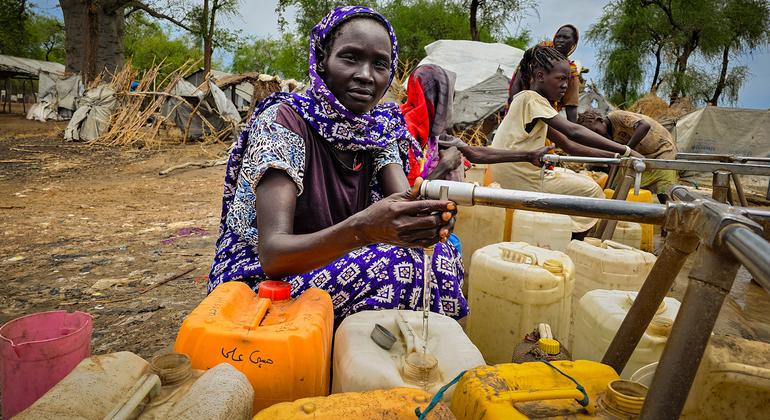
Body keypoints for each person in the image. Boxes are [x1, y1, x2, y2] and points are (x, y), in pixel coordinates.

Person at [207, 6, 468, 322]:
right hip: (262, 280)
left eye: (380, 64)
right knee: (397, 271)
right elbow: (274, 254)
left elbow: (401, 203)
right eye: (350, 58)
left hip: (339, 256)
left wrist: (424, 223)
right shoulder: (284, 123)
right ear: (322, 61)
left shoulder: (377, 130)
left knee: (440, 255)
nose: (366, 75)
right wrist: (363, 230)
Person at [490, 45, 642, 237]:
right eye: (561, 79)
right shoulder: (532, 99)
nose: (565, 86)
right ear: (539, 76)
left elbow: (569, 146)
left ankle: (562, 234)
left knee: (575, 178)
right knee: (591, 191)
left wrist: (614, 157)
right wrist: (626, 150)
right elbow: (573, 132)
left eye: (567, 80)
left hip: (513, 175)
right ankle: (573, 242)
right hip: (521, 179)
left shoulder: (527, 103)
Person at [400, 64, 554, 253]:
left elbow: (475, 153)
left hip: (429, 225)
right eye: (450, 97)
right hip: (402, 231)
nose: (451, 105)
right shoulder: (402, 134)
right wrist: (444, 166)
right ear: (437, 96)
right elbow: (401, 200)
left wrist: (528, 155)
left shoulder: (435, 135)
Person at [577, 110, 678, 203]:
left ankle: (675, 218)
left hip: (662, 149)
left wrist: (628, 149)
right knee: (617, 187)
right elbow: (614, 163)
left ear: (599, 120)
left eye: (596, 131)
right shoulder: (607, 137)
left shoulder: (617, 117)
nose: (596, 136)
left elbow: (644, 126)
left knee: (663, 192)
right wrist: (607, 186)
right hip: (642, 154)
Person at [507, 24, 581, 122]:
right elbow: (518, 81)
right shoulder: (536, 56)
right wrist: (514, 110)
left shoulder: (571, 71)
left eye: (565, 37)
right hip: (524, 108)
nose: (560, 40)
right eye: (558, 37)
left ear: (574, 43)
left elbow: (571, 106)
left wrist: (573, 133)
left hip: (547, 114)